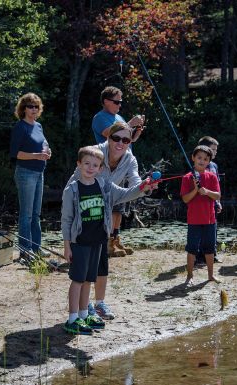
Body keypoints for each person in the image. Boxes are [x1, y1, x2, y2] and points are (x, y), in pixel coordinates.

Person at [61, 145, 153, 335]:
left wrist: (144, 187)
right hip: (79, 242)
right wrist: (67, 246)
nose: (90, 167)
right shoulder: (72, 190)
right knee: (77, 280)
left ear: (101, 168)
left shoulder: (105, 186)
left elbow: (127, 194)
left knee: (88, 279)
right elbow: (67, 220)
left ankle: (84, 314)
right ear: (79, 164)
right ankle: (72, 319)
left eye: (95, 165)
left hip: (98, 241)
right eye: (86, 163)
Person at [92, 86, 145, 257]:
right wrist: (130, 123)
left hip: (124, 165)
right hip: (108, 167)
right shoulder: (100, 118)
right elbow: (111, 134)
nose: (119, 105)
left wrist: (136, 132)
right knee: (109, 204)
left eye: (121, 102)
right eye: (116, 102)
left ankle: (115, 237)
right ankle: (106, 240)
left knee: (120, 208)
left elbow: (128, 139)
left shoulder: (119, 117)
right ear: (106, 101)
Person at [10, 92, 51, 257]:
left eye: (36, 106)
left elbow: (44, 144)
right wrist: (36, 156)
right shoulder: (20, 127)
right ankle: (25, 251)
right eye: (30, 106)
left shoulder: (38, 126)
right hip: (25, 174)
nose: (34, 109)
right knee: (26, 215)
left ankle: (36, 248)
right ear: (23, 109)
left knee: (36, 214)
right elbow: (15, 153)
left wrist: (48, 152)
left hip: (39, 172)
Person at [180, 145, 221, 286]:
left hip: (210, 219)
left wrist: (207, 191)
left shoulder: (212, 176)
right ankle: (190, 276)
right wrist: (196, 190)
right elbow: (185, 199)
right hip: (194, 220)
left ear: (209, 161)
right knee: (192, 249)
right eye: (199, 158)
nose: (202, 161)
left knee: (210, 249)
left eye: (205, 159)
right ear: (193, 158)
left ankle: (210, 275)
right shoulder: (187, 178)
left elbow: (218, 196)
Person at [198, 136, 222, 263]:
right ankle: (199, 256)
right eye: (213, 149)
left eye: (216, 150)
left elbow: (217, 185)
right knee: (201, 230)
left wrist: (218, 202)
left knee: (213, 229)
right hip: (201, 204)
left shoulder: (214, 166)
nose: (215, 152)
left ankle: (212, 254)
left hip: (213, 202)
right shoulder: (198, 165)